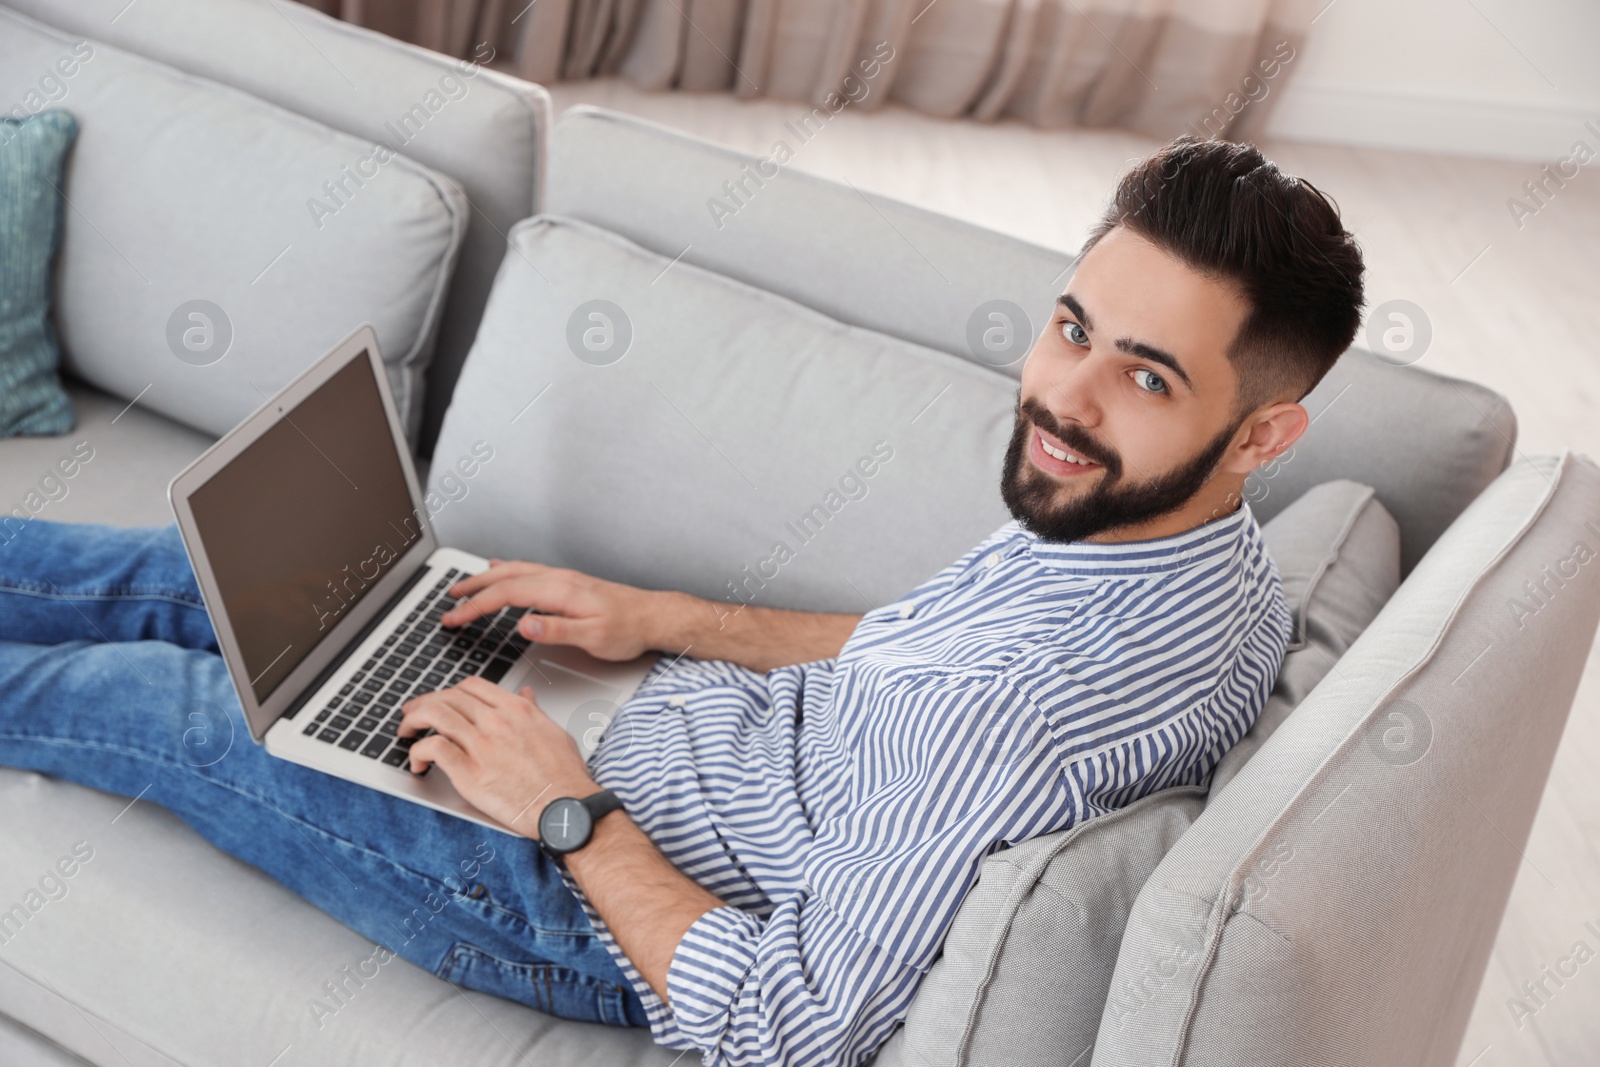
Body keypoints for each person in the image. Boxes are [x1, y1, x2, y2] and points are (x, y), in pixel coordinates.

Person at [0, 136, 1364, 1065]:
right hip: (626, 731)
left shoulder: (1027, 713)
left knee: (163, 704)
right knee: (224, 579)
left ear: (1263, 433)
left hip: (560, 887)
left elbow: (793, 1029)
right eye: (1072, 326)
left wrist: (566, 808)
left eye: (1145, 375)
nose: (1063, 398)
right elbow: (911, 658)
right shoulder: (1207, 558)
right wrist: (656, 619)